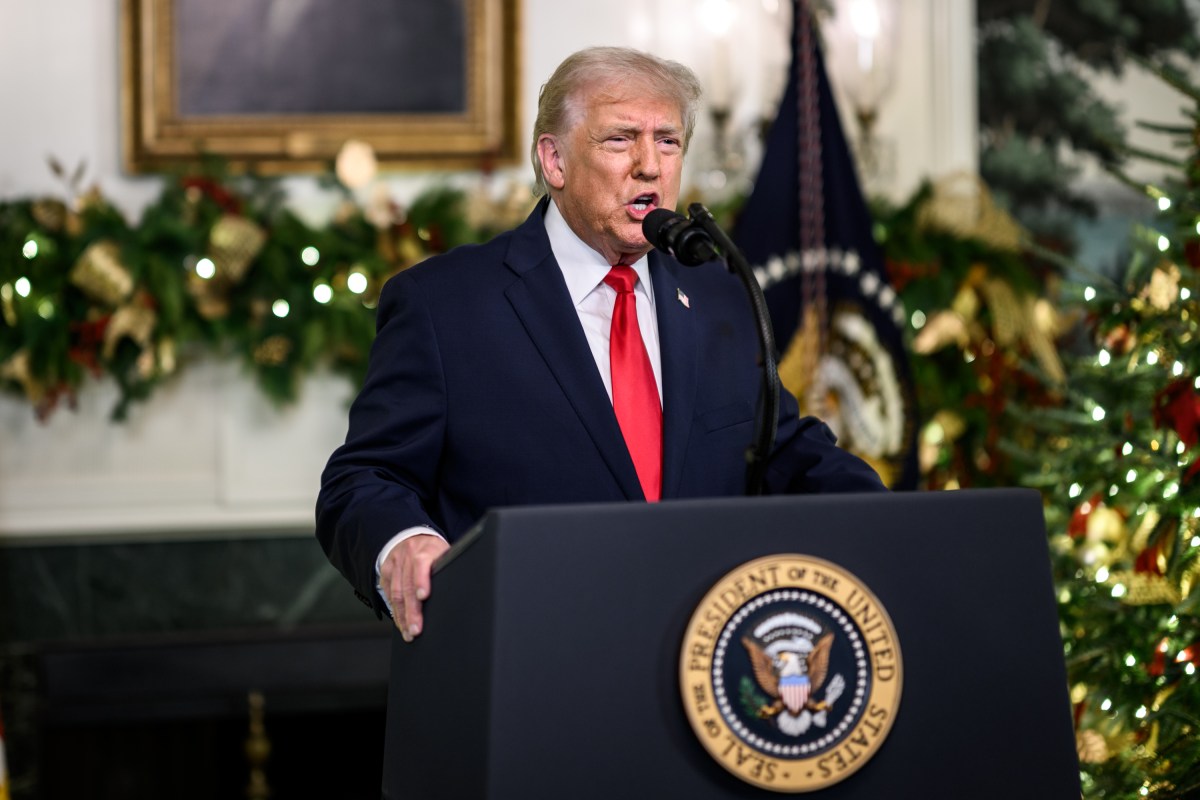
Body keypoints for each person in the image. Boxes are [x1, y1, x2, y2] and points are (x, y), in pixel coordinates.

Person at [315, 46, 885, 642]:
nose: (650, 166)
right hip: (529, 661)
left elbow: (781, 449)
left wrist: (889, 519)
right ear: (554, 159)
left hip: (702, 665)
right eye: (620, 140)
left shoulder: (721, 293)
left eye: (667, 141)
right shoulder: (444, 304)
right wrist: (403, 544)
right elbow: (364, 479)